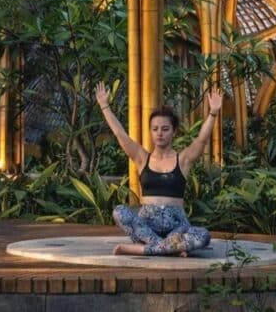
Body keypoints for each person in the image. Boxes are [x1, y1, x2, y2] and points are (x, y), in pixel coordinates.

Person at [95, 81, 222, 256]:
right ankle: (169, 248)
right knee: (120, 212)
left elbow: (201, 140)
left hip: (177, 226)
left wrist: (213, 112)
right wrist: (105, 106)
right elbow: (120, 135)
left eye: (165, 129)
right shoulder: (142, 157)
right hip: (146, 226)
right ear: (150, 131)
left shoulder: (183, 160)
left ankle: (140, 249)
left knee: (203, 235)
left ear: (174, 131)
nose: (159, 133)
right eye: (155, 129)